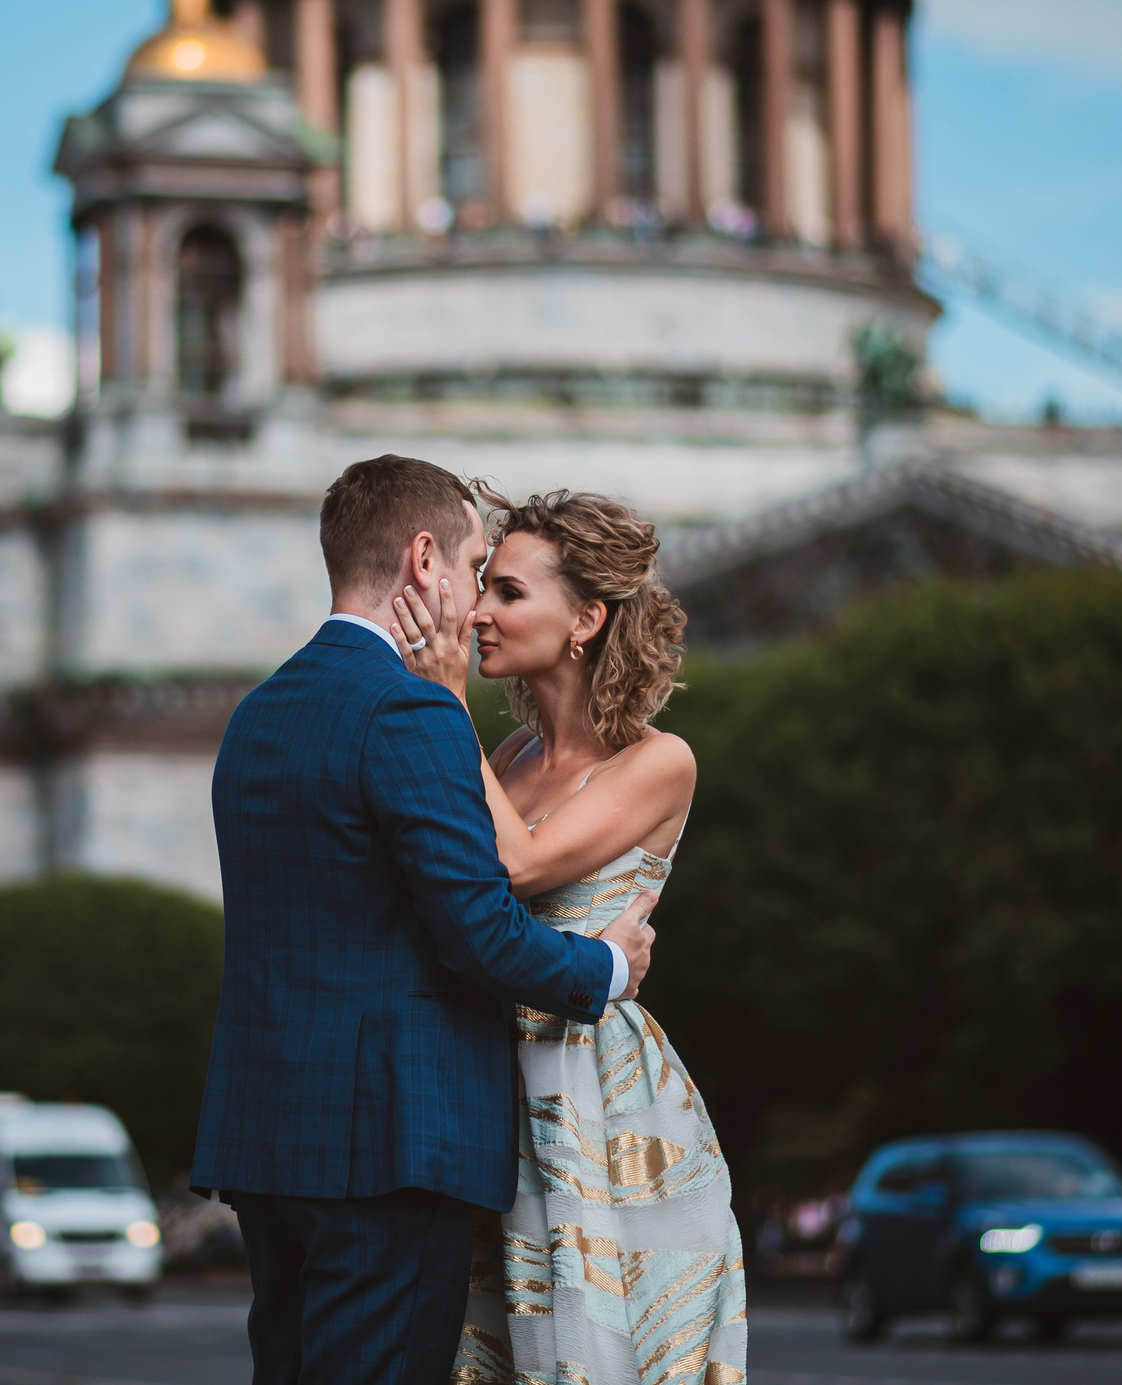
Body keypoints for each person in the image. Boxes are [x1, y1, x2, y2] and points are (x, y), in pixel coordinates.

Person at [192, 456, 659, 1385]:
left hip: (268, 1137)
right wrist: (605, 967)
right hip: (392, 1146)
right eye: (476, 565)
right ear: (422, 561)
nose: (476, 598)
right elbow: (479, 930)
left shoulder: (259, 711)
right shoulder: (409, 707)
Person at [386, 486, 746, 1384]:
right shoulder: (509, 759)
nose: (476, 612)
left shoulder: (661, 760)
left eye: (508, 593)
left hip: (602, 1098)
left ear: (585, 617)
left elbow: (517, 867)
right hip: (496, 1084)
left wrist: (443, 701)